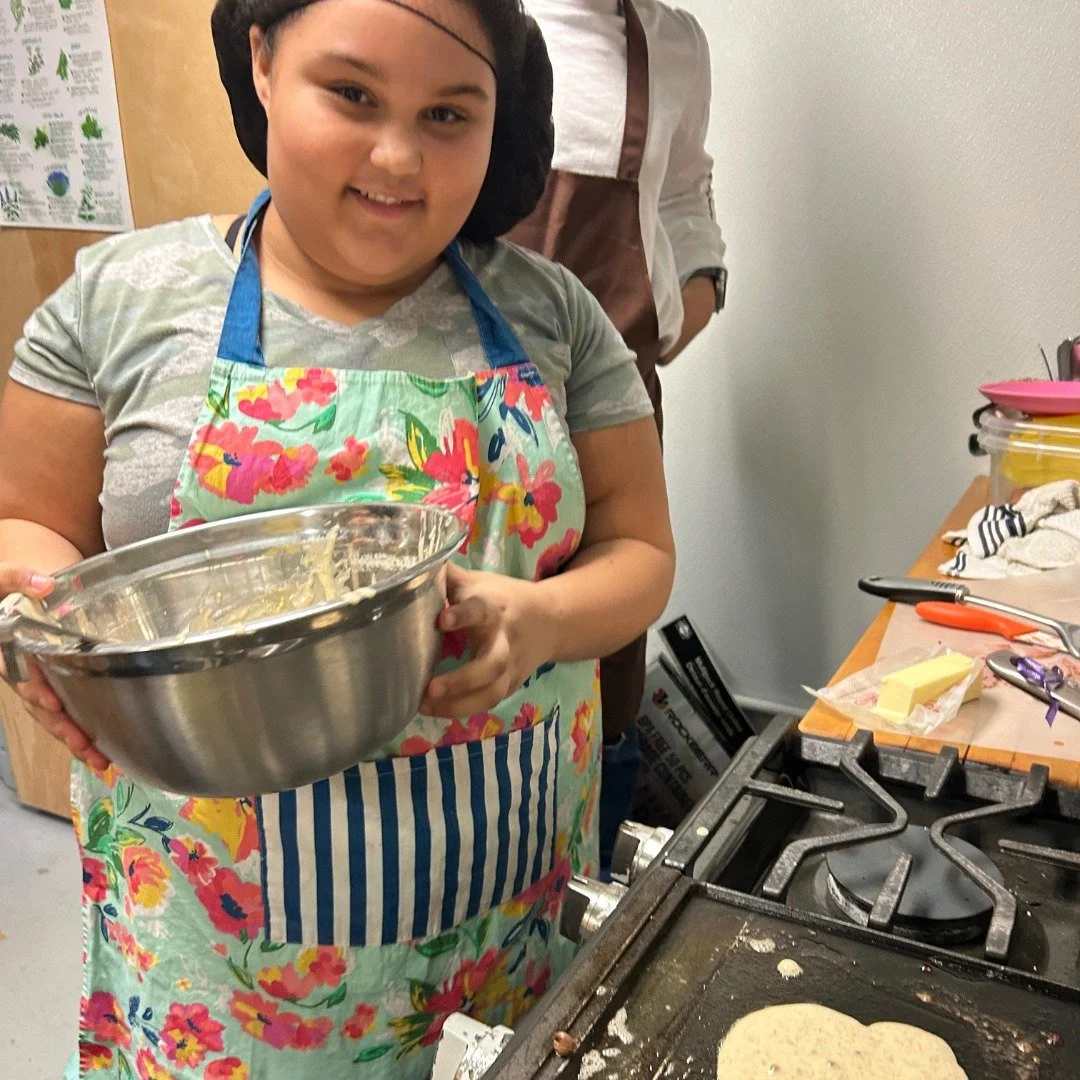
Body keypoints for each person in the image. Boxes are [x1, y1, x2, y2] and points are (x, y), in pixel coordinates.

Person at [0, 1, 675, 1076]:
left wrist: (542, 619)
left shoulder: (554, 312)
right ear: (262, 62)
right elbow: (28, 521)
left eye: (450, 114)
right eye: (352, 95)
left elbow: (642, 552)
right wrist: (34, 610)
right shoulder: (116, 305)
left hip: (499, 905)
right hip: (213, 949)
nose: (397, 158)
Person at [509, 0, 725, 869]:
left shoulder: (673, 44)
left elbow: (682, 196)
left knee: (602, 667)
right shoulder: (459, 22)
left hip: (610, 415)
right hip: (460, 416)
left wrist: (681, 307)